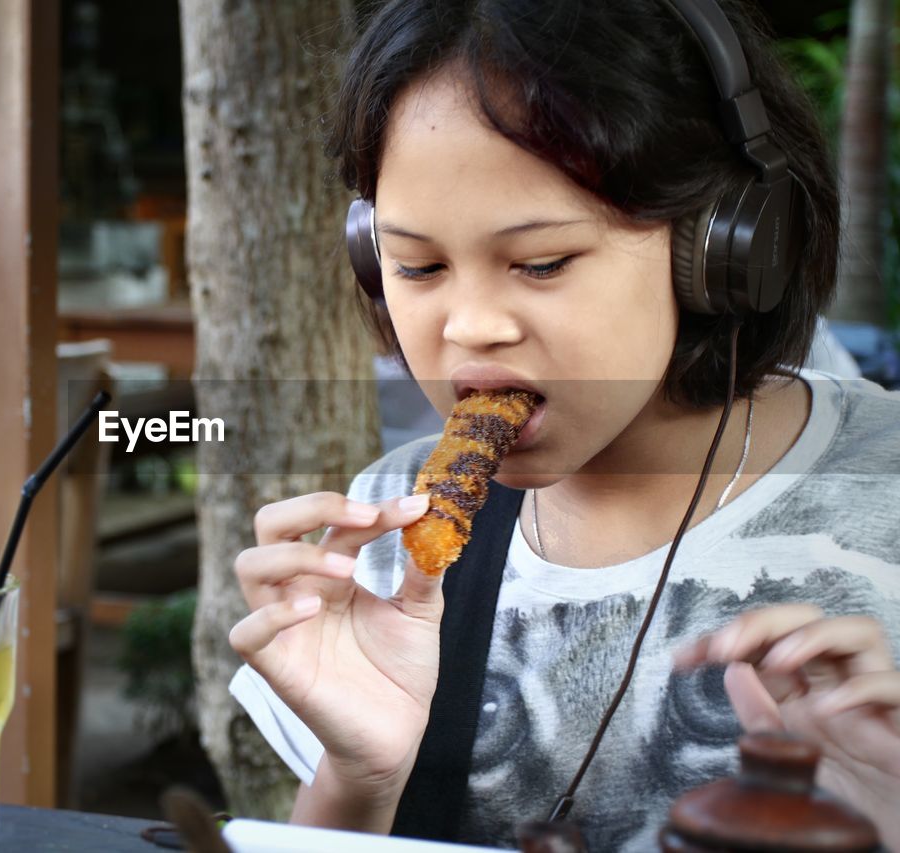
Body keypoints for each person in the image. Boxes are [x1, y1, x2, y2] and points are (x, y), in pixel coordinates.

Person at [226, 1, 900, 850]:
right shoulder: (388, 535)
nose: (471, 324)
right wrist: (359, 779)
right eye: (418, 265)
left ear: (723, 249)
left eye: (541, 262)